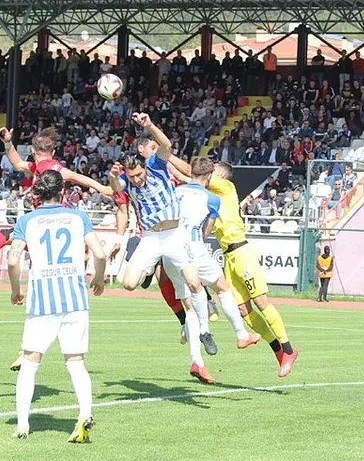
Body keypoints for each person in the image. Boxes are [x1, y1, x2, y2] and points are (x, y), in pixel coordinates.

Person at [109, 113, 215, 384]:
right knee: (129, 283)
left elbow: (166, 145)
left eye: (139, 174)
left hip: (175, 235)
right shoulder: (126, 182)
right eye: (133, 176)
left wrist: (149, 126)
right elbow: (115, 189)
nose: (138, 179)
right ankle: (149, 270)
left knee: (193, 284)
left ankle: (201, 339)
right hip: (151, 239)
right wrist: (114, 178)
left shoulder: (155, 166)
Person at [170, 158, 298, 378]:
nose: (210, 172)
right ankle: (279, 353)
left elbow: (194, 173)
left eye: (214, 170)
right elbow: (189, 179)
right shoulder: (208, 196)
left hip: (241, 251)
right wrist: (166, 163)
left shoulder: (227, 187)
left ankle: (288, 349)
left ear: (221, 176)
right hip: (229, 257)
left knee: (261, 301)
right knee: (243, 311)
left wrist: (168, 156)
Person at [7, 170, 106, 442]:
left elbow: (13, 260)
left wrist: (16, 290)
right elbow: (99, 253)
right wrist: (98, 279)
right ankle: (85, 413)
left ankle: (23, 424)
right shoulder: (78, 217)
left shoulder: (27, 221)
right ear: (63, 191)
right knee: (75, 361)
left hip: (42, 301)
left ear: (38, 193)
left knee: (29, 362)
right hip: (75, 298)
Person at [0, 128, 112, 271]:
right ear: (54, 151)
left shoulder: (50, 167)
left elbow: (75, 177)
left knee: (7, 237)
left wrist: (103, 188)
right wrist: (7, 143)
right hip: (48, 221)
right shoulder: (41, 166)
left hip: (49, 222)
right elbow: (18, 164)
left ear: (32, 151)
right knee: (10, 239)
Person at [162, 156, 261, 353]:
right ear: (209, 176)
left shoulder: (176, 191)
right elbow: (207, 232)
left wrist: (168, 162)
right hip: (193, 246)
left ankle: (198, 335)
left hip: (169, 249)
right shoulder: (212, 198)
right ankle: (240, 334)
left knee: (190, 298)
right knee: (222, 289)